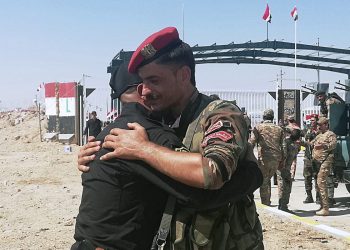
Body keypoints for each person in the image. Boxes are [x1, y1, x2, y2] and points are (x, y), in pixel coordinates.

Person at [78, 27, 264, 249]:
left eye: (154, 80)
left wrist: (143, 150)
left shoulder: (219, 114)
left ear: (184, 75)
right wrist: (94, 156)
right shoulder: (157, 122)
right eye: (142, 83)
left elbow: (213, 171)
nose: (145, 91)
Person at [249, 109, 286, 206]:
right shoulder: (279, 129)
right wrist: (283, 160)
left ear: (264, 117)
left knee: (264, 181)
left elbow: (251, 143)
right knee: (277, 180)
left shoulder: (258, 127)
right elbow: (284, 146)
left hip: (264, 159)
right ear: (272, 117)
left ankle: (265, 204)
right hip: (277, 159)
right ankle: (281, 203)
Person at [310, 117, 337, 216]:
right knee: (318, 184)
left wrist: (323, 146)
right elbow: (311, 144)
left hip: (326, 161)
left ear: (326, 125)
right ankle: (322, 205)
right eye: (318, 125)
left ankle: (326, 208)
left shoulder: (330, 134)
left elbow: (333, 145)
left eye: (321, 125)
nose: (319, 127)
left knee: (321, 182)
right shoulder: (319, 135)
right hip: (317, 162)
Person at [277, 127, 301, 213]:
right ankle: (282, 206)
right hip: (282, 168)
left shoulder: (294, 144)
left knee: (286, 186)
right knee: (284, 186)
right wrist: (282, 167)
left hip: (287, 168)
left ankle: (283, 205)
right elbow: (284, 155)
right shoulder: (286, 142)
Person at [302, 115, 319, 203]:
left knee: (317, 177)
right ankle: (309, 196)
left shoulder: (320, 131)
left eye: (313, 120)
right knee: (307, 177)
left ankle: (318, 196)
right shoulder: (308, 130)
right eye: (311, 120)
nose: (312, 122)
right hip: (308, 156)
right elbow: (305, 138)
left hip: (317, 157)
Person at [285, 115, 301, 181]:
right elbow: (299, 138)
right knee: (294, 160)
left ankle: (287, 173)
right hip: (296, 145)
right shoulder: (297, 128)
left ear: (288, 120)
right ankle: (292, 175)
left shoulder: (287, 128)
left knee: (287, 160)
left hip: (288, 145)